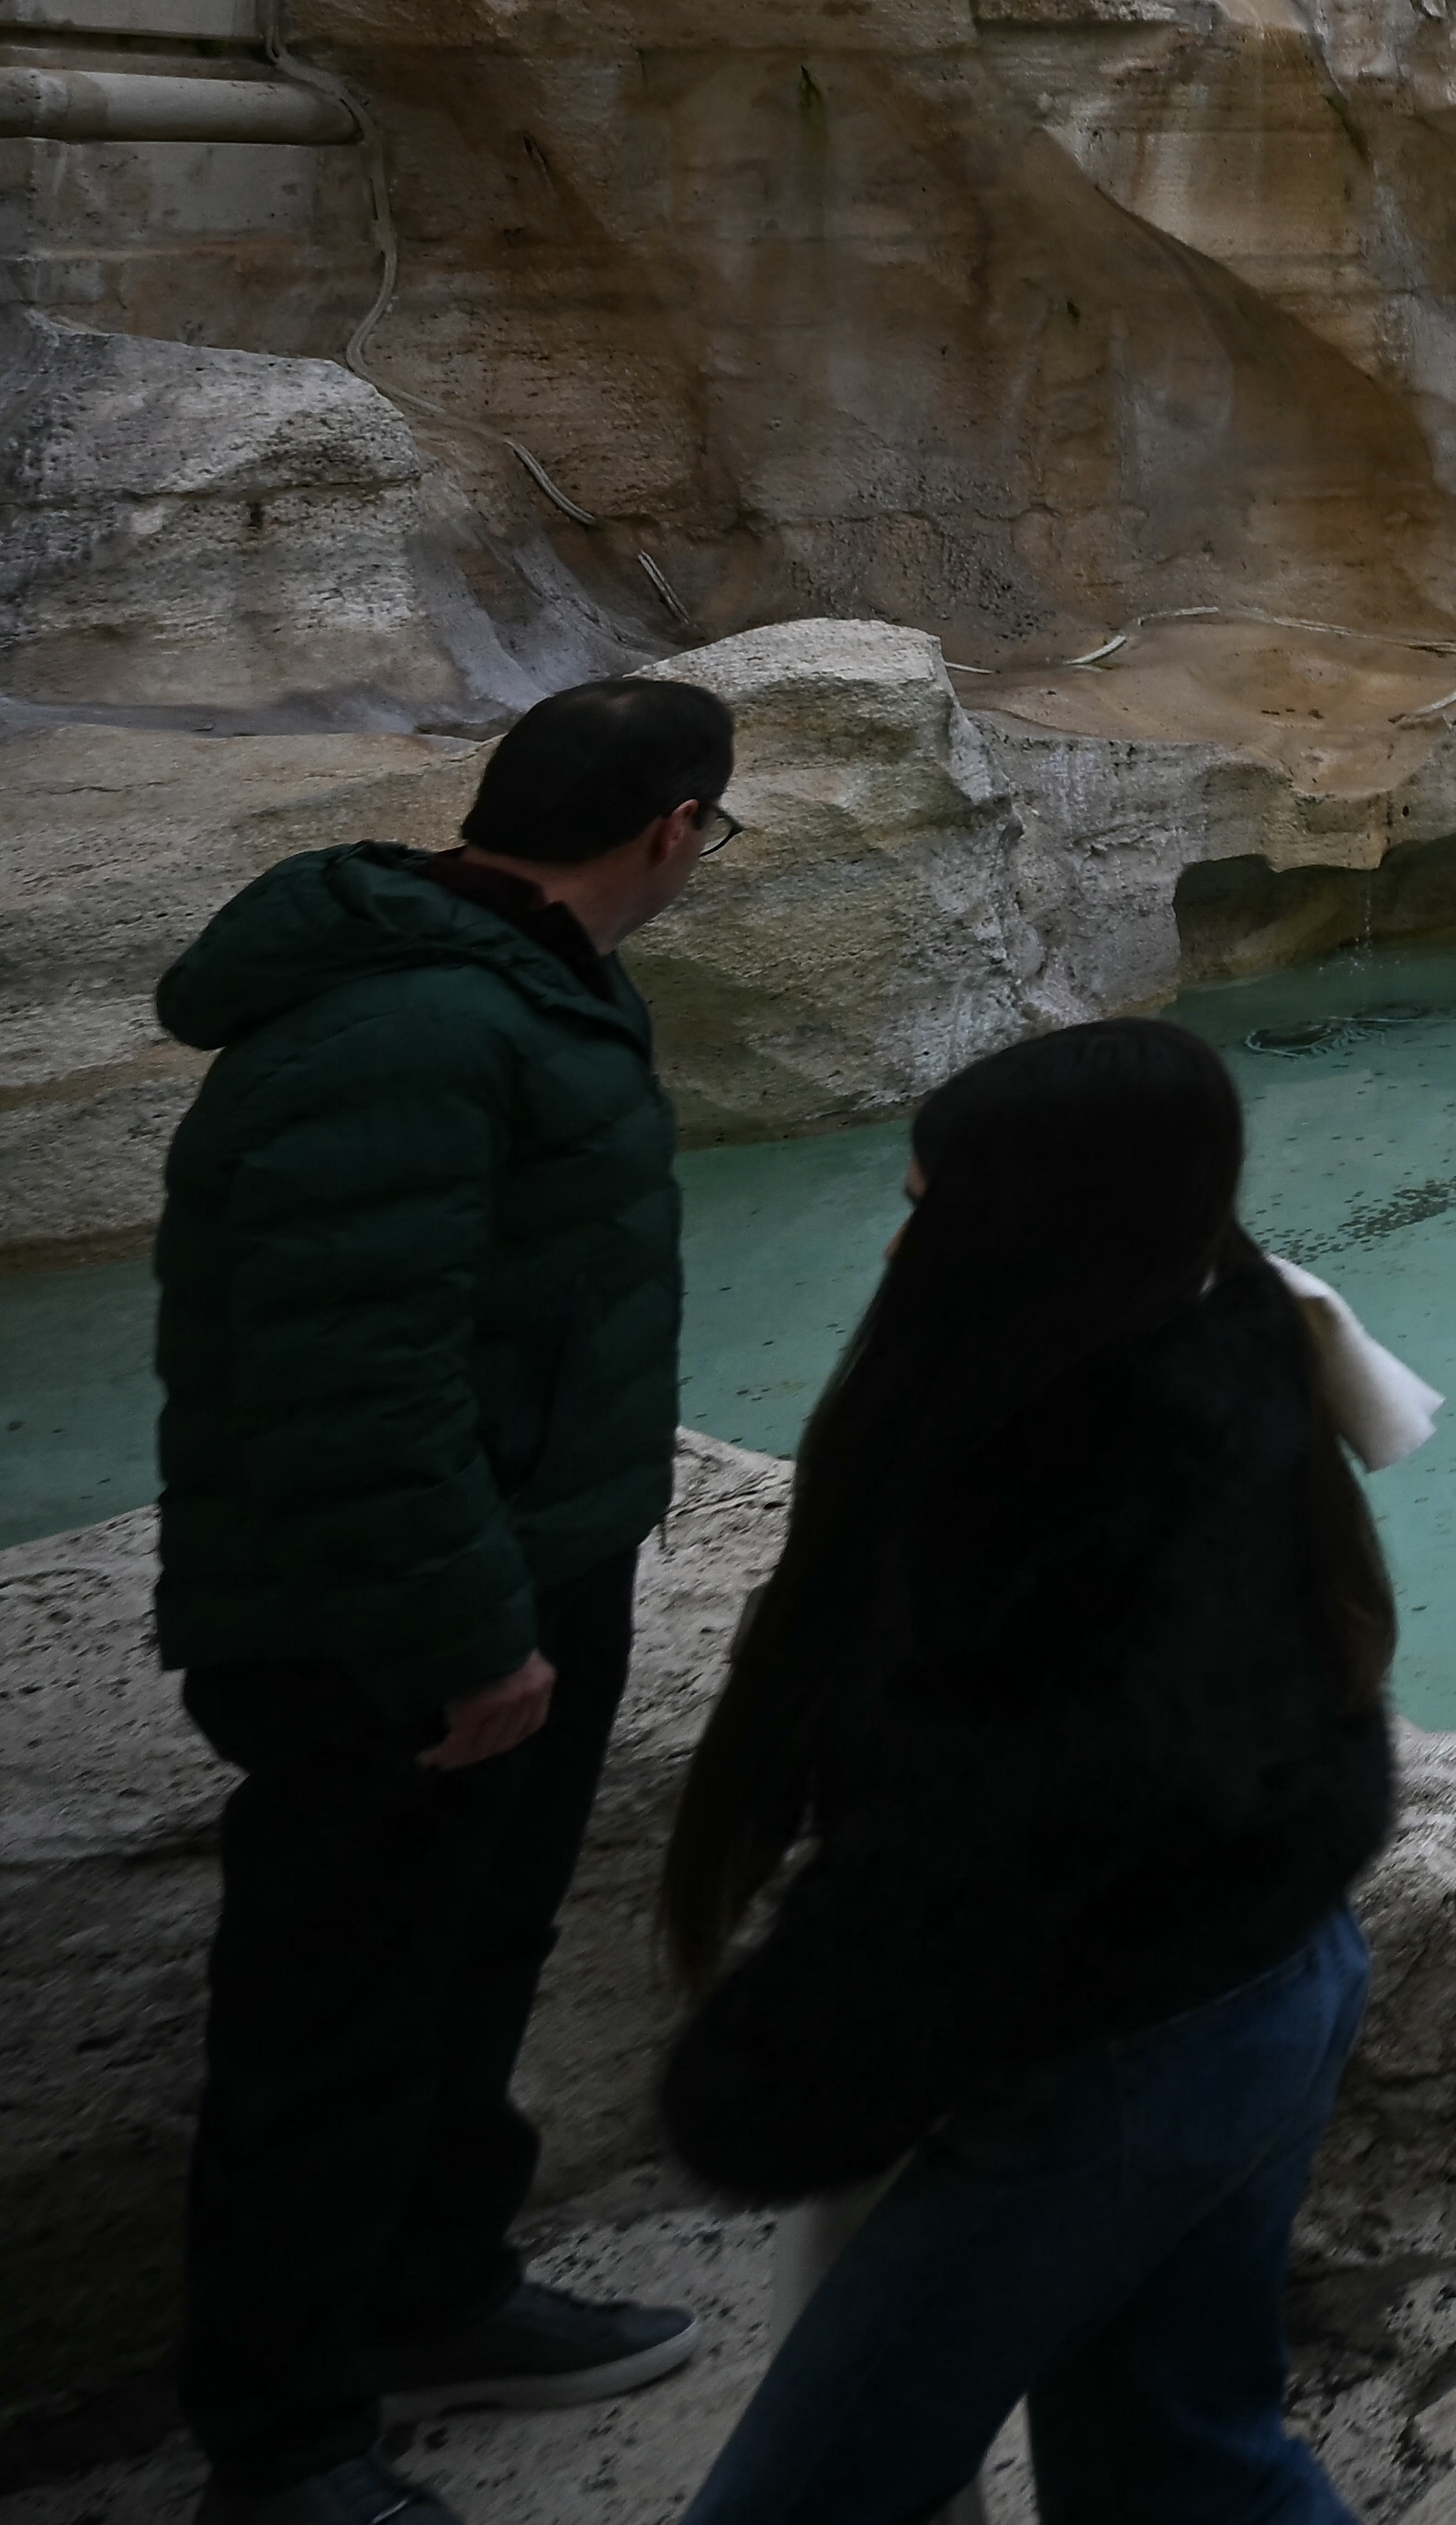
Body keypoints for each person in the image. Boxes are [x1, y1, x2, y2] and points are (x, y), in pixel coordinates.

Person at [651, 1024, 1408, 2525]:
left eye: (926, 1201)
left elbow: (969, 1854)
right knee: (1185, 2463)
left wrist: (769, 2081)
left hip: (1117, 2062)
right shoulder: (1238, 1328)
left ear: (1022, 1223)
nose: (894, 1234)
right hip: (1280, 1967)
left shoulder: (1045, 1493)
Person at [149, 676, 733, 2525]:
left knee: (461, 1966)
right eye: (714, 824)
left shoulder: (522, 984)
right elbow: (348, 1374)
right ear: (668, 832)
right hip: (384, 1625)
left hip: (521, 1565)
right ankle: (289, 2445)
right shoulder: (409, 1025)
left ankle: (434, 2291)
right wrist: (465, 1631)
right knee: (334, 2020)